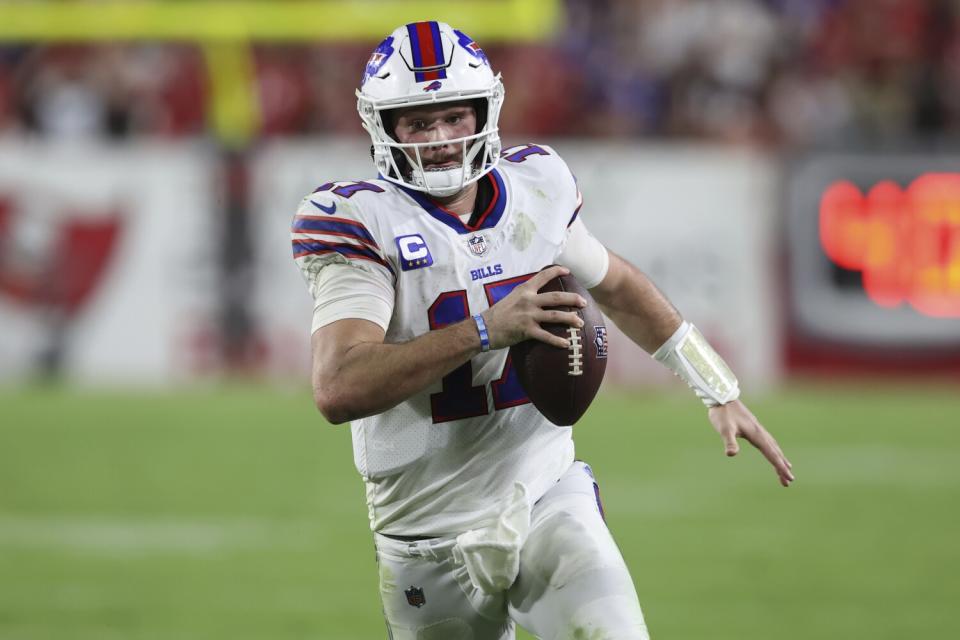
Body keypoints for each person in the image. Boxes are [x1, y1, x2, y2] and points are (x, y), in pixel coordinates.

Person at [292, 21, 793, 640]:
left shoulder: (536, 187)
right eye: (419, 123)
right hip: (423, 535)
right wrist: (482, 330)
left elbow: (617, 284)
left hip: (543, 496)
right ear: (384, 128)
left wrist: (715, 384)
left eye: (454, 117)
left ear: (485, 110)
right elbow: (338, 387)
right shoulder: (358, 219)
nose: (443, 139)